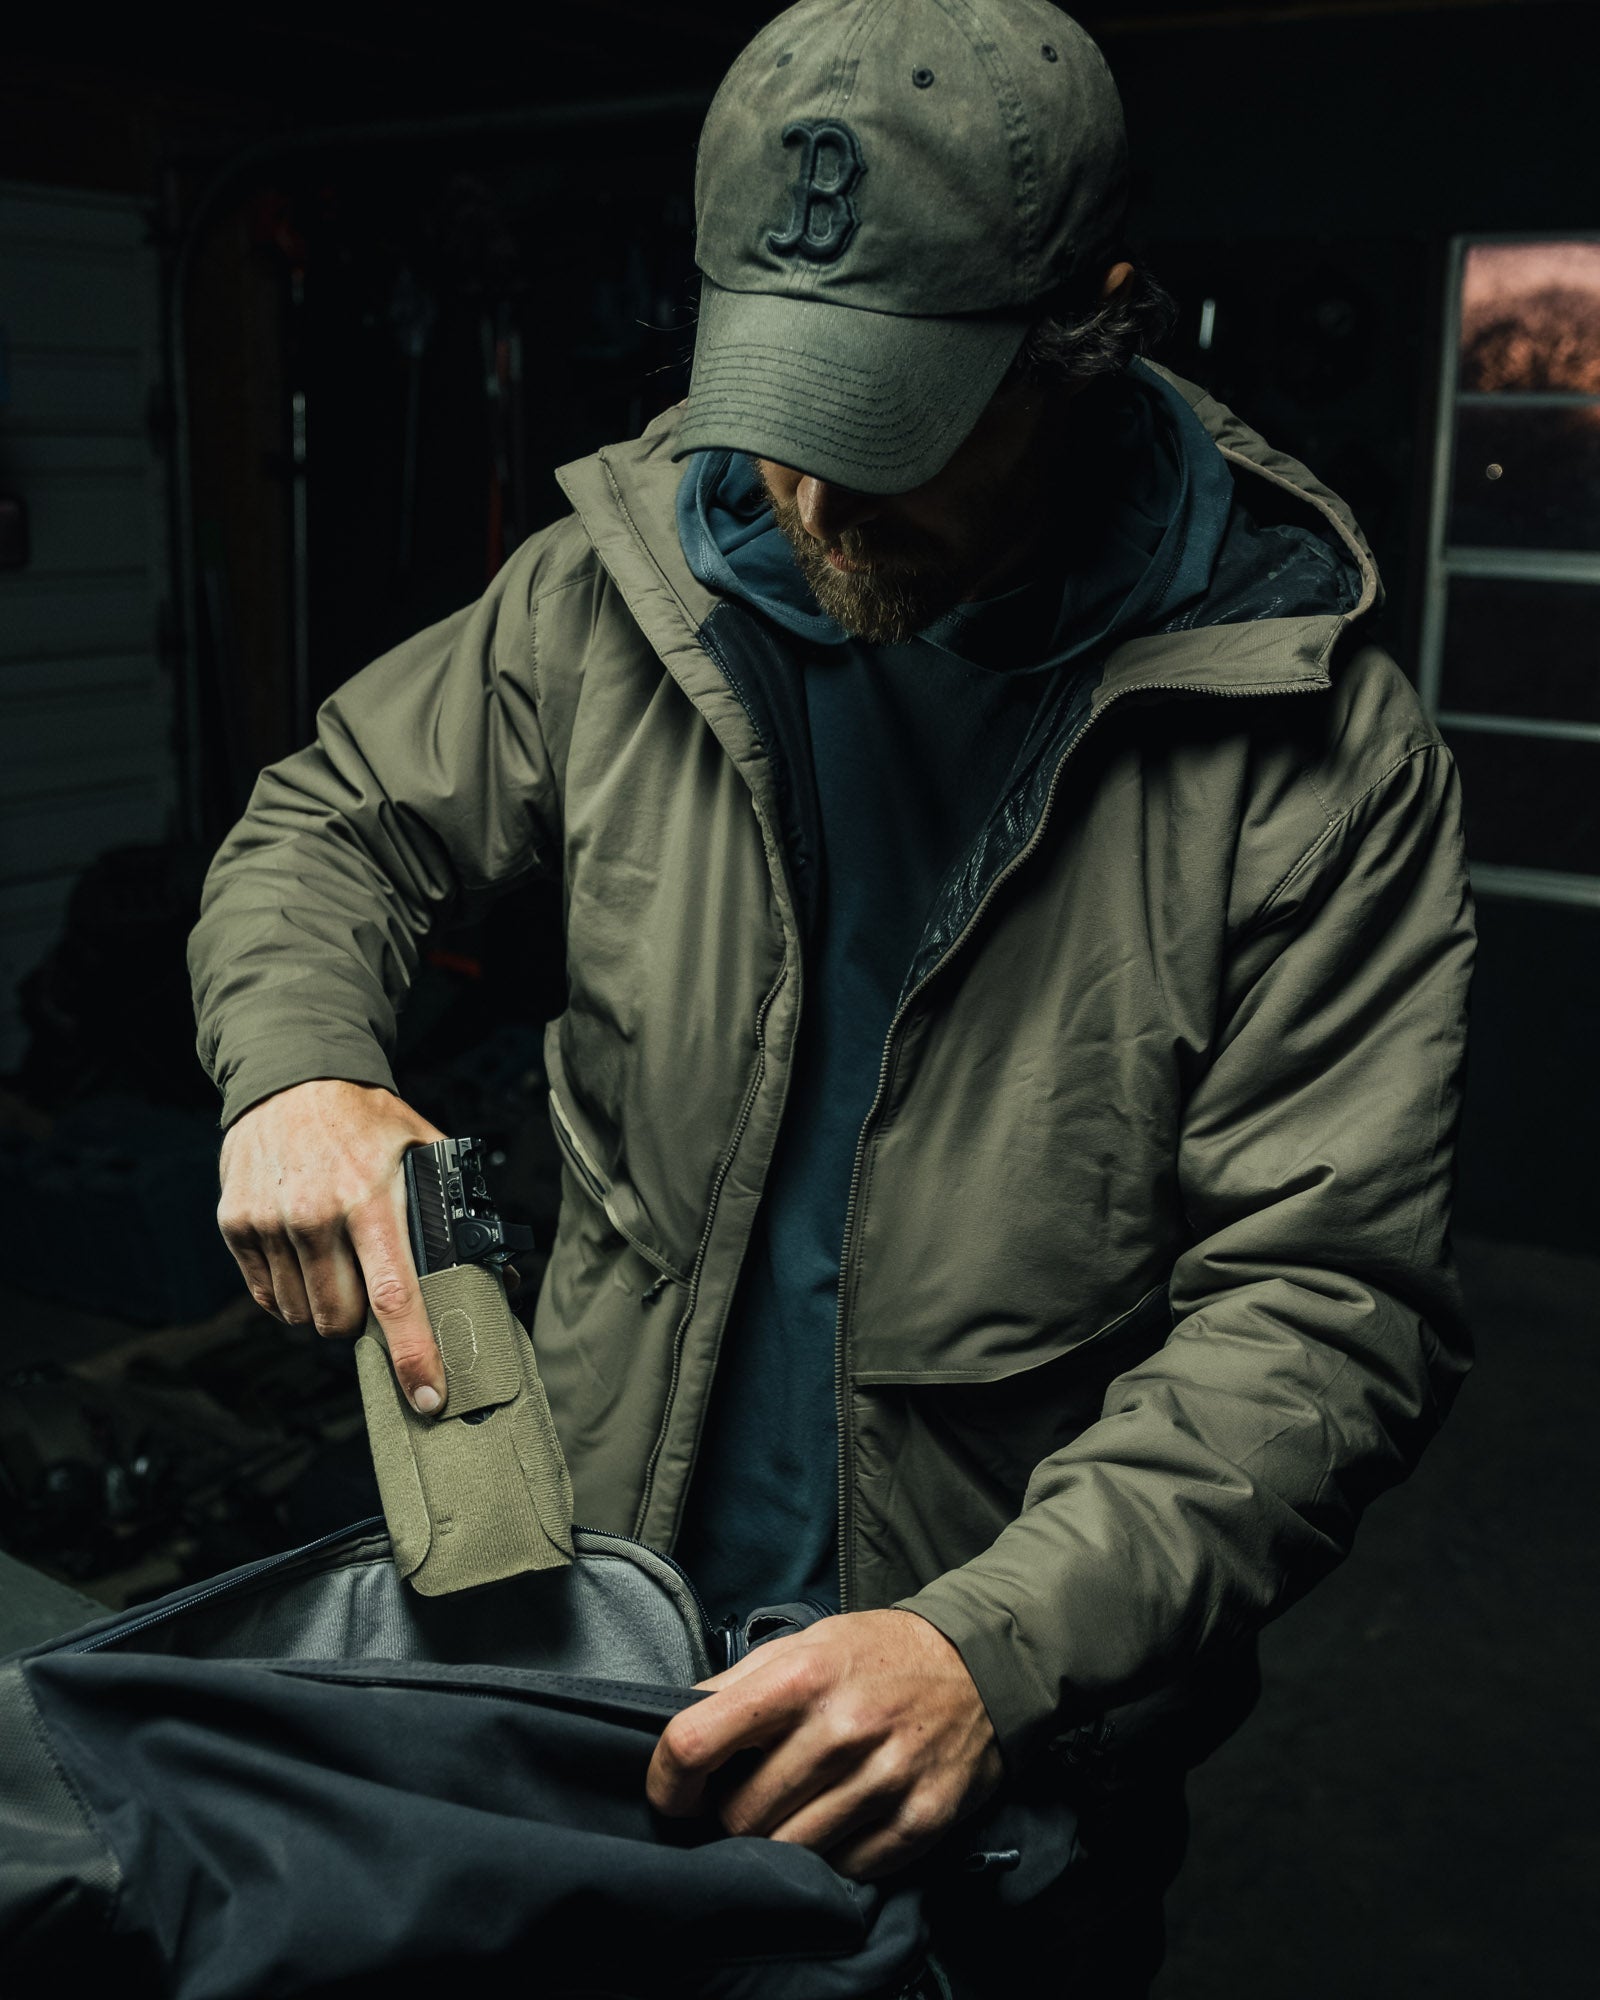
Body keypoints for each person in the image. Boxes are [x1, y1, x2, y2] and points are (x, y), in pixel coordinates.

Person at [189, 3, 1474, 1991]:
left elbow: (1324, 1301)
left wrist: (997, 1642)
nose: (805, 485)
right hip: (585, 1634)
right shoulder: (621, 587)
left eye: (893, 417)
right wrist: (299, 1069)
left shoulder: (1312, 740)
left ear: (1096, 321)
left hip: (992, 1737)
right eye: (776, 395)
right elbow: (332, 822)